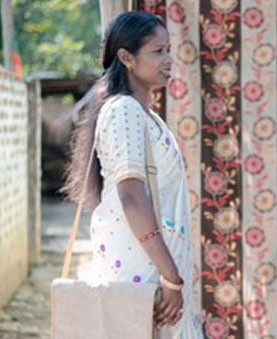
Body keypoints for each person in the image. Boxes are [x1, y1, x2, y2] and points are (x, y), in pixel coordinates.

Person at [62, 11, 202, 337]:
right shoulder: (123, 110)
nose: (169, 59)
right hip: (142, 273)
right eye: (158, 51)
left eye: (169, 49)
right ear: (126, 57)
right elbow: (131, 197)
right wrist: (170, 276)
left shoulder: (144, 114)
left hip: (152, 269)